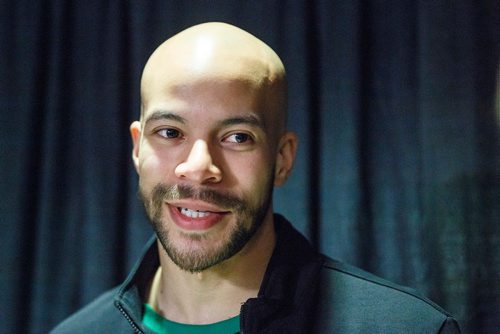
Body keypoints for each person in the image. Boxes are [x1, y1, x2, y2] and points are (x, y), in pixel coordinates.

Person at [51, 22, 460, 333]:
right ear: (138, 148)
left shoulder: (410, 328)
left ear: (282, 159)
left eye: (237, 137)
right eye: (171, 132)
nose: (198, 167)